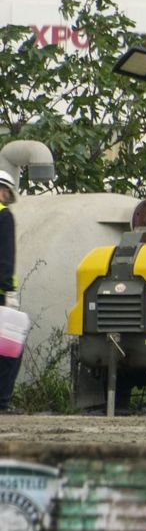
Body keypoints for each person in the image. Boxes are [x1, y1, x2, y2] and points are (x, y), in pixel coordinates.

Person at [0, 169, 20, 413]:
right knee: (10, 348)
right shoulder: (4, 216)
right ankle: (2, 401)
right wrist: (9, 294)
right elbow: (5, 258)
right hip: (0, 296)